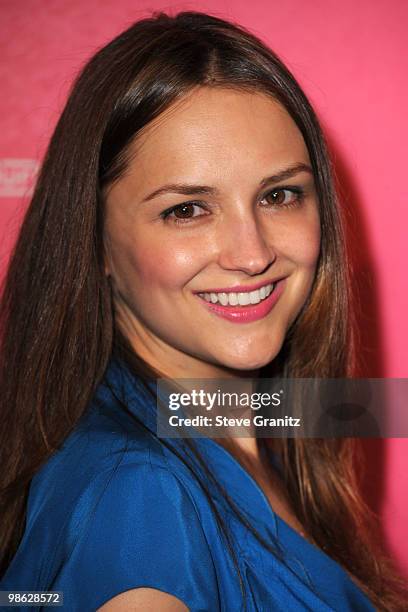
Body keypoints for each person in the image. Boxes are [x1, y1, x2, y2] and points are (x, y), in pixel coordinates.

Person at [0, 10, 406, 612]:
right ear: (94, 242)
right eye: (187, 210)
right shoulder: (137, 495)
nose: (253, 255)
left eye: (278, 195)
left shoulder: (243, 416)